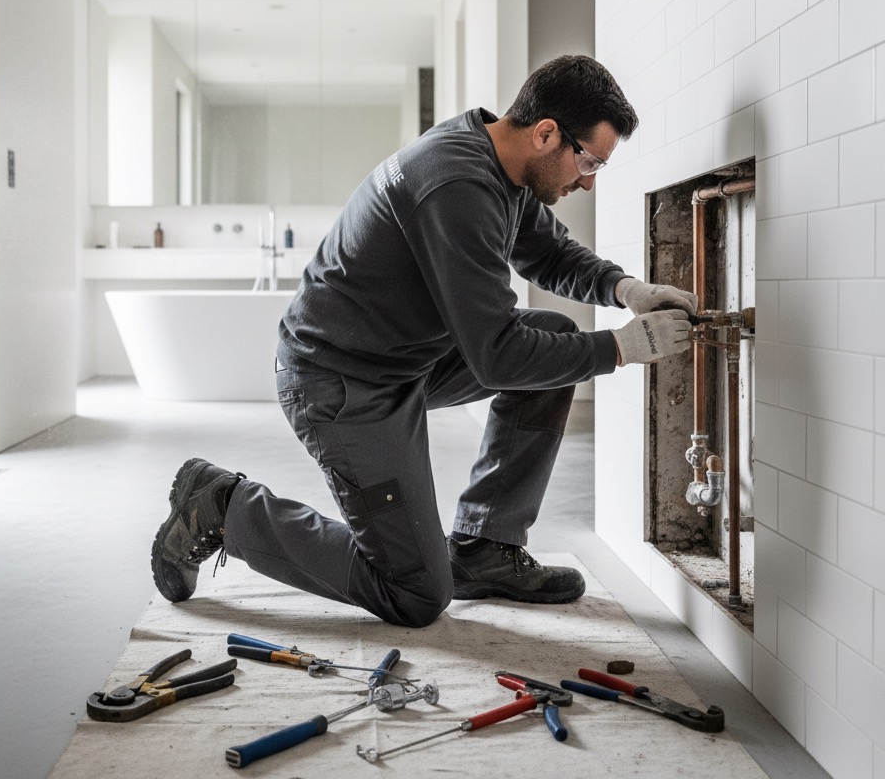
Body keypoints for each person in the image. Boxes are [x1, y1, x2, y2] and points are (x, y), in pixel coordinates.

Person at [150, 54, 697, 628]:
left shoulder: (493, 157)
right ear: (545, 133)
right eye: (589, 162)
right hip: (338, 382)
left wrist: (626, 289)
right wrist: (622, 348)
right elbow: (499, 355)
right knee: (414, 593)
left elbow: (549, 251)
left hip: (402, 361)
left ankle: (486, 547)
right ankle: (220, 506)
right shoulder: (456, 185)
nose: (587, 180)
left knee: (557, 341)